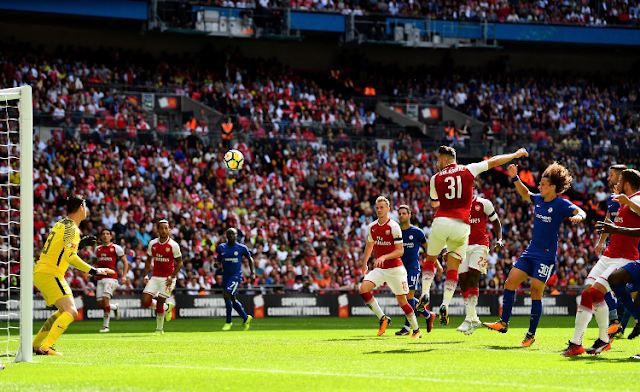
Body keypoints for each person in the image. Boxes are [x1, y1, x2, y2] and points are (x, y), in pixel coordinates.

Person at [417, 145, 528, 326]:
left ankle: (425, 293)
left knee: (430, 259)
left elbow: (434, 203)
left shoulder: (435, 178)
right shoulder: (468, 170)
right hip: (461, 225)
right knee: (454, 268)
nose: (437, 163)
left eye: (438, 159)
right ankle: (445, 303)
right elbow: (494, 161)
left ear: (445, 160)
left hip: (441, 221)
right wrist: (515, 154)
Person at [484, 163, 586, 347]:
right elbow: (525, 193)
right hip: (530, 253)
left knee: (535, 290)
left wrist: (579, 216)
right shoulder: (539, 199)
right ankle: (503, 323)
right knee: (510, 282)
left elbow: (581, 211)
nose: (539, 186)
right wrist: (515, 177)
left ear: (552, 187)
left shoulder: (561, 204)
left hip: (546, 257)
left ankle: (530, 335)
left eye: (542, 184)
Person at [564, 169, 640, 356]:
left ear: (627, 184)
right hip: (608, 255)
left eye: (619, 180)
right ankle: (576, 343)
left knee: (598, 291)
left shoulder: (636, 198)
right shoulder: (619, 200)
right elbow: (610, 220)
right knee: (587, 292)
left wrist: (627, 201)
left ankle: (604, 339)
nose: (615, 183)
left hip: (625, 258)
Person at [32, 195, 114, 356]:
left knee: (63, 311)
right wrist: (94, 270)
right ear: (81, 208)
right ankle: (47, 347)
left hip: (43, 271)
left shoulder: (60, 223)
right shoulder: (73, 229)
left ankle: (35, 345)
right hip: (50, 273)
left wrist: (79, 245)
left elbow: (60, 248)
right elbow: (69, 256)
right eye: (86, 205)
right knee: (71, 311)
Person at [359, 196, 421, 339]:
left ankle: (416, 330)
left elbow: (400, 251)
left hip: (395, 268)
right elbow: (369, 246)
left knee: (402, 302)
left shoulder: (393, 226)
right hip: (381, 269)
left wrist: (384, 257)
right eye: (377, 208)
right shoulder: (372, 227)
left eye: (382, 207)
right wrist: (364, 264)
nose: (379, 210)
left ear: (388, 209)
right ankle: (383, 318)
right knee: (363, 289)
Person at [456, 194, 504, 335]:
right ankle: (474, 318)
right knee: (463, 280)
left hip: (480, 245)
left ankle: (468, 318)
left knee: (473, 277)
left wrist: (499, 239)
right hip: (462, 245)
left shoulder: (483, 203)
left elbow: (495, 221)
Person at [593, 164, 628, 337]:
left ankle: (617, 322)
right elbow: (608, 220)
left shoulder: (634, 199)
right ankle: (615, 322)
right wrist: (601, 242)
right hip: (613, 250)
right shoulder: (611, 199)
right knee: (600, 284)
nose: (608, 178)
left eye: (612, 175)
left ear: (622, 178)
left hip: (630, 252)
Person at [394, 205, 436, 336]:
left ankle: (408, 327)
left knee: (409, 296)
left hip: (412, 268)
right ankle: (428, 315)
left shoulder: (417, 232)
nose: (401, 216)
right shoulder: (396, 232)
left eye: (404, 213)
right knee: (403, 298)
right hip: (399, 269)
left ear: (409, 215)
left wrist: (437, 264)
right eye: (399, 213)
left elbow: (430, 250)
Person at [141, 220, 182, 335]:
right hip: (155, 277)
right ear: (158, 230)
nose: (163, 230)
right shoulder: (152, 244)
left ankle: (159, 329)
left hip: (168, 278)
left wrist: (172, 276)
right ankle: (166, 307)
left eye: (166, 228)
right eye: (161, 228)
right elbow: (148, 260)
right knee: (145, 301)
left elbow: (180, 263)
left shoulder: (173, 245)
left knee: (159, 300)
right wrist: (146, 275)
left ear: (169, 230)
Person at [215, 228, 256, 331]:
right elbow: (218, 260)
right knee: (232, 300)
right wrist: (217, 263)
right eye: (229, 234)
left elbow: (250, 259)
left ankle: (228, 322)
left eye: (233, 234)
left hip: (236, 276)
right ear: (226, 236)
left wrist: (252, 273)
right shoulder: (221, 247)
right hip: (226, 276)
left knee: (227, 294)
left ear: (237, 235)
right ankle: (246, 318)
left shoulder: (242, 248)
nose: (231, 236)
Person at [93, 229, 129, 332]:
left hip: (111, 278)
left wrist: (124, 276)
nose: (105, 236)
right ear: (100, 237)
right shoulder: (97, 249)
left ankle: (105, 326)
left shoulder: (116, 248)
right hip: (100, 279)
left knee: (105, 300)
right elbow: (95, 262)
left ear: (111, 236)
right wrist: (90, 271)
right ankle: (115, 307)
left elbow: (125, 262)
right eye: (103, 234)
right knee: (101, 304)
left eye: (107, 234)